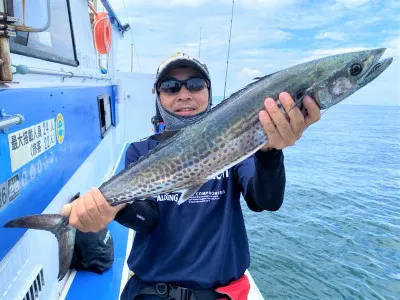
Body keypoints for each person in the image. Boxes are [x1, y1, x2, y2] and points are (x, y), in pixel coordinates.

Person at [61, 52, 321, 299]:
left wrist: (270, 151)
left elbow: (264, 200)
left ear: (208, 91)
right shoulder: (141, 151)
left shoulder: (238, 141)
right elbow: (148, 219)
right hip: (152, 293)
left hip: (220, 295)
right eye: (171, 87)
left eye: (195, 85)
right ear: (158, 96)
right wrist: (116, 210)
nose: (184, 94)